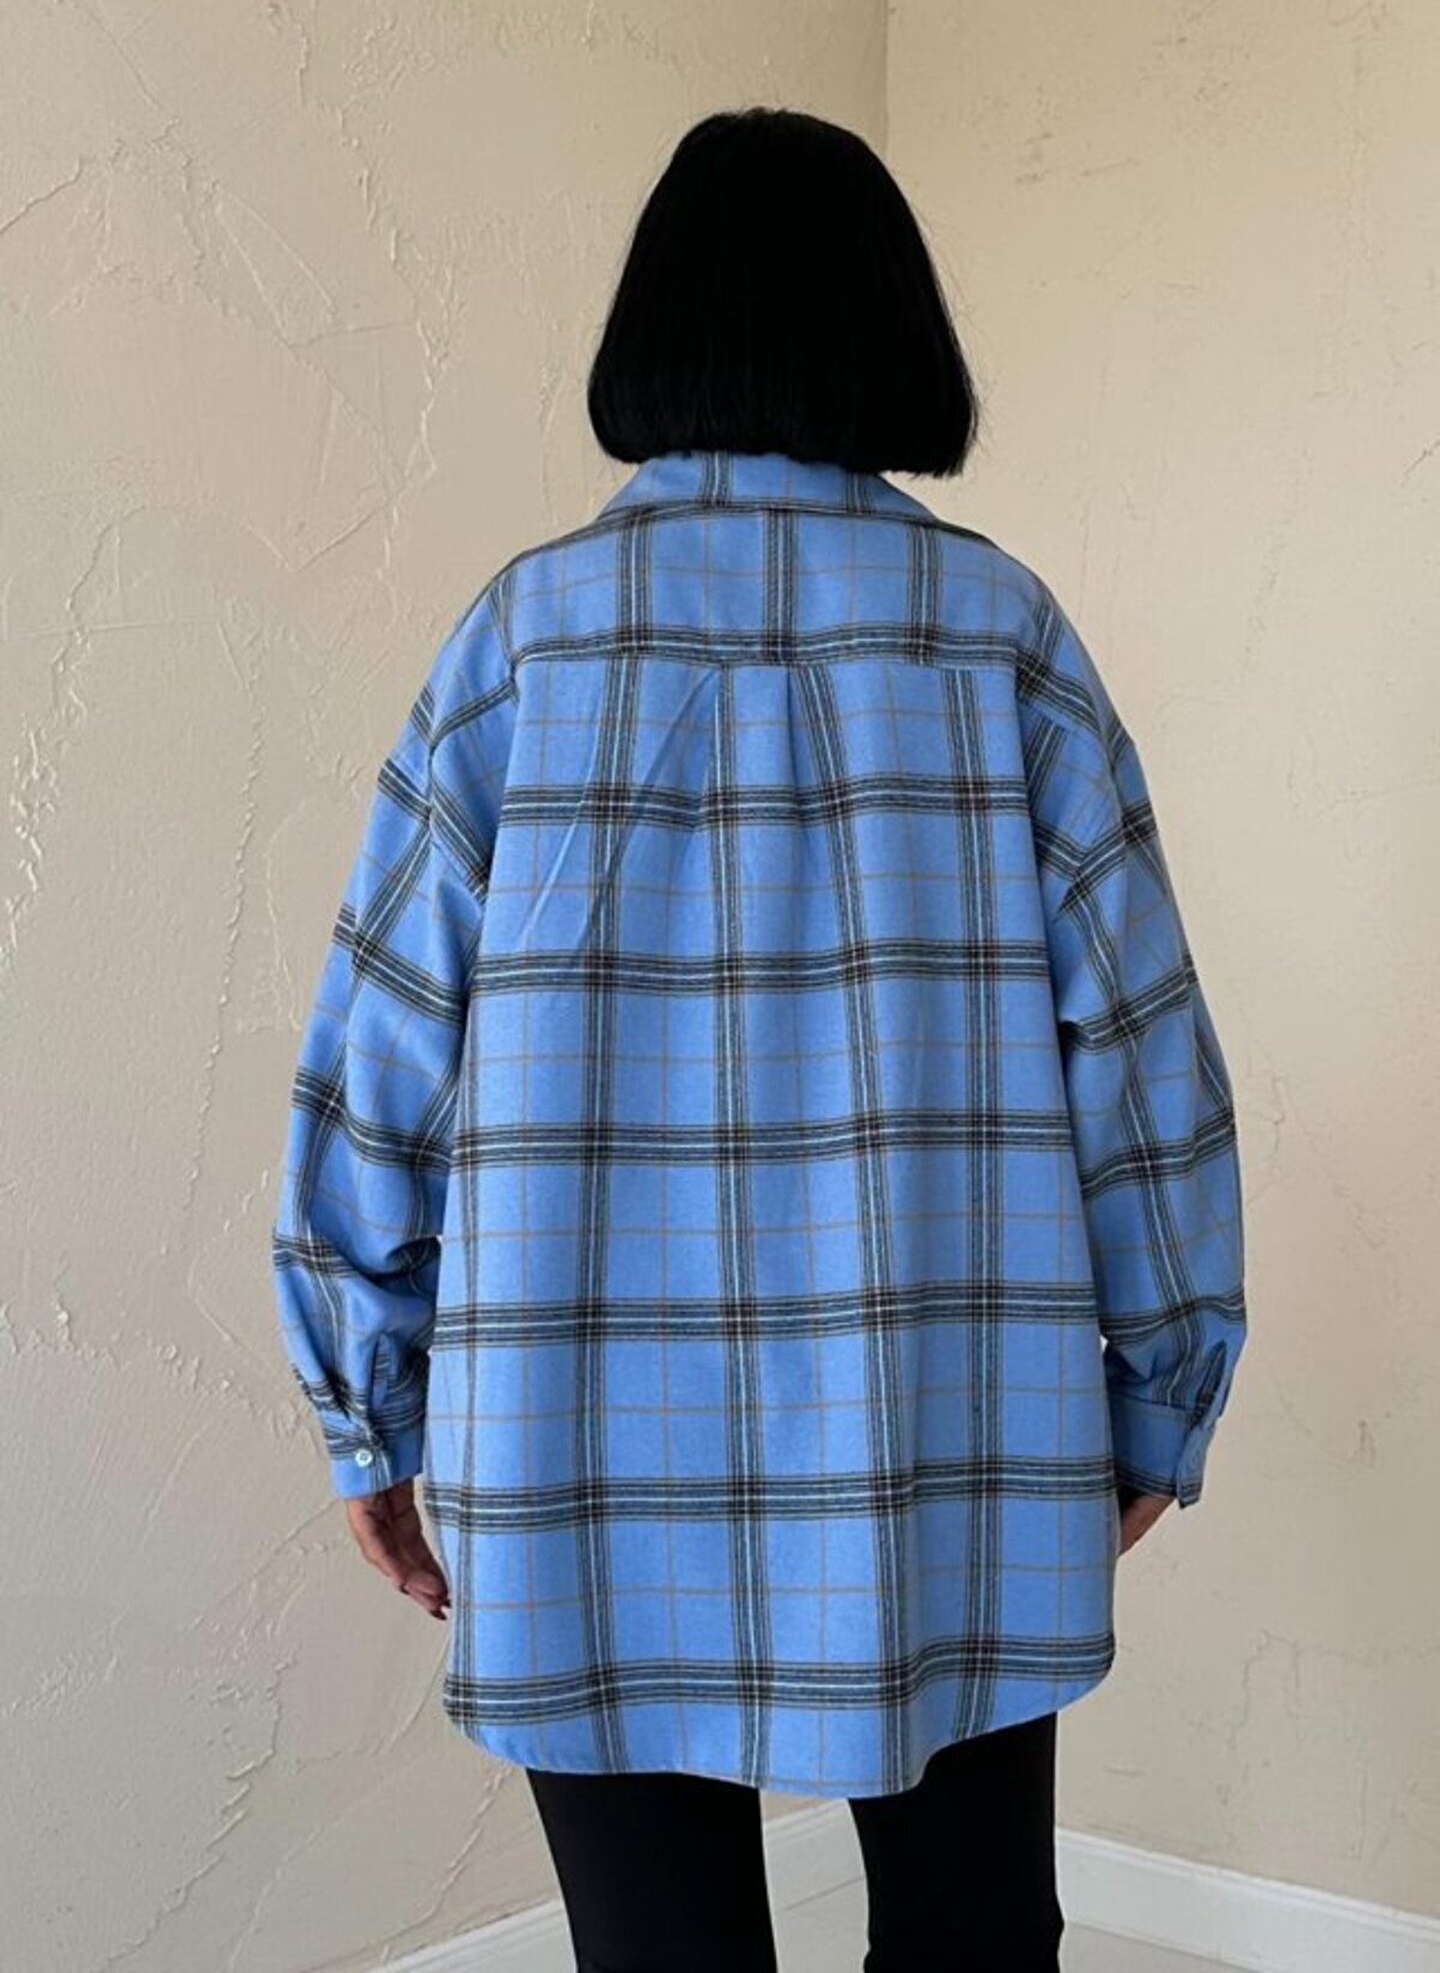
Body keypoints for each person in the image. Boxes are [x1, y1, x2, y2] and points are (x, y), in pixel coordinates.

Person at [269, 106, 1247, 1972]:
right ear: (897, 332)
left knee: (658, 1952)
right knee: (974, 1937)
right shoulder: (1002, 640)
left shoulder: (527, 641)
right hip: (945, 1424)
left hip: (571, 1438)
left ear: (655, 330)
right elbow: (1145, 1067)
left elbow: (376, 1064)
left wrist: (364, 1406)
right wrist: (1161, 1392)